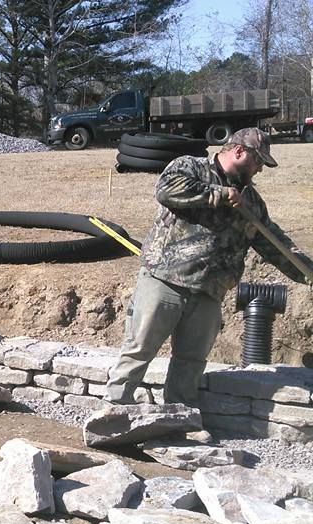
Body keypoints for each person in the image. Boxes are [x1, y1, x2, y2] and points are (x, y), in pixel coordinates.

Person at [106, 127, 313, 406]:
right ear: (240, 151)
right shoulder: (189, 166)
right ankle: (114, 411)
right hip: (165, 281)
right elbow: (166, 190)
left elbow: (274, 243)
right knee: (139, 350)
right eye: (258, 162)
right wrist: (219, 194)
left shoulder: (251, 201)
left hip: (208, 292)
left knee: (190, 362)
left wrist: (308, 272)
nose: (259, 170)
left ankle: (179, 418)